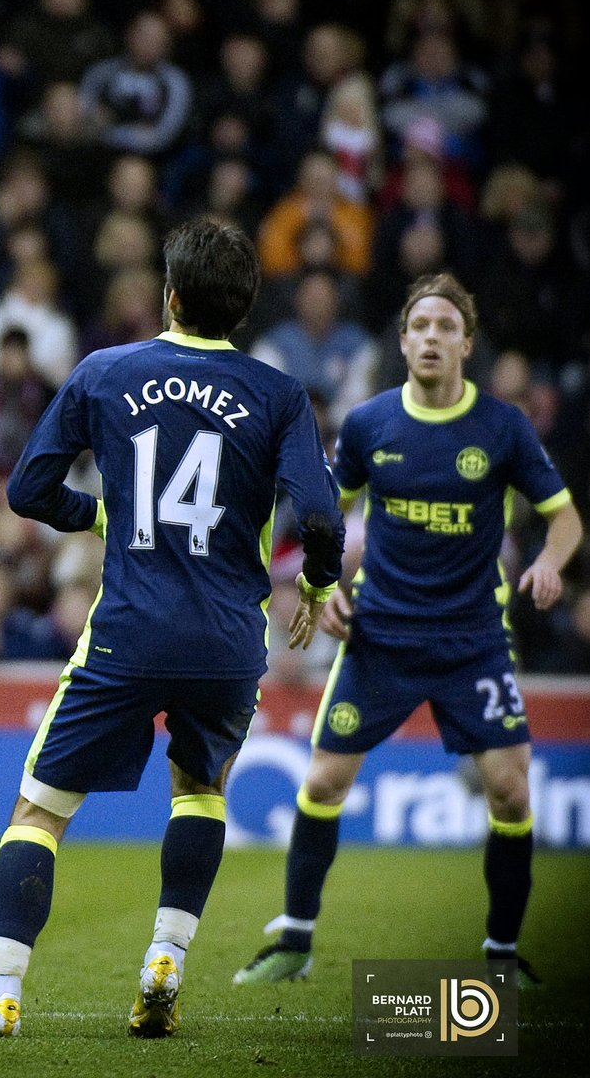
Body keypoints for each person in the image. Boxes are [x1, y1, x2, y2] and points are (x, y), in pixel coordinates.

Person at [0, 218, 345, 1038]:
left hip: (128, 631)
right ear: (244, 307)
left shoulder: (106, 372)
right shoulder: (275, 395)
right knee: (199, 791)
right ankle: (165, 957)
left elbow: (25, 490)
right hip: (230, 642)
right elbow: (323, 511)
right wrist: (317, 580)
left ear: (168, 294)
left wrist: (101, 515)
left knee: (39, 813)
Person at [232, 272, 582, 991]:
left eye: (444, 327)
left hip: (471, 640)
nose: (430, 338)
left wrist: (550, 563)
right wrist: (324, 586)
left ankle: (500, 955)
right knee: (324, 781)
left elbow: (565, 517)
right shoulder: (369, 424)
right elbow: (330, 515)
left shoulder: (502, 428)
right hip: (380, 636)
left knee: (511, 794)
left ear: (465, 343)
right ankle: (293, 942)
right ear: (401, 340)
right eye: (418, 326)